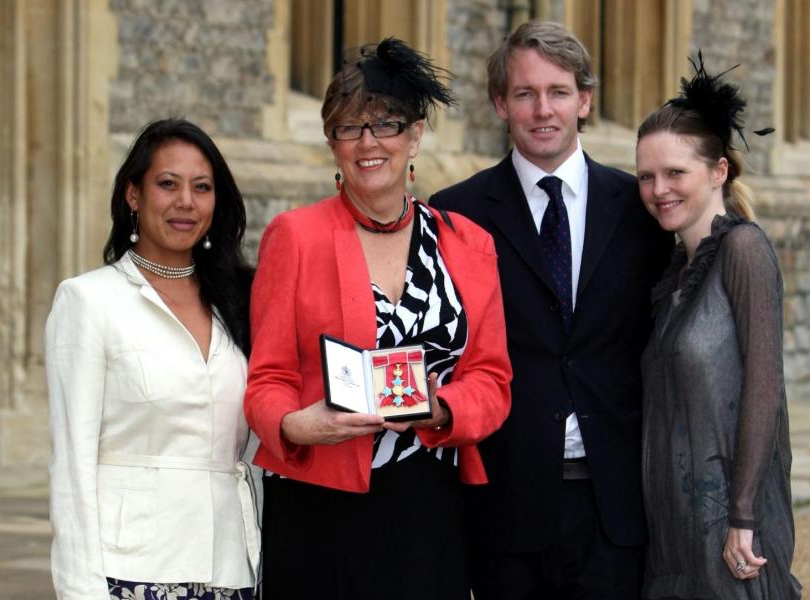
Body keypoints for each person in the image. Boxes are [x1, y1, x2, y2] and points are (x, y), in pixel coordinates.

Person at [244, 38, 511, 600]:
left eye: (385, 124)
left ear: (414, 135)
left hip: (429, 505)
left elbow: (492, 379)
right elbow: (267, 380)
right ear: (332, 142)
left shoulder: (469, 245)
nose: (368, 142)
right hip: (320, 502)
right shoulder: (295, 237)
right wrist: (295, 426)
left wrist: (442, 410)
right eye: (349, 127)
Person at [430, 20, 674, 599]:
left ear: (584, 100)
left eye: (559, 92)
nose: (543, 109)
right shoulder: (455, 214)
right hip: (504, 506)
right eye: (524, 93)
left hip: (615, 505)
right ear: (500, 103)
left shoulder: (641, 210)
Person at [45, 119, 261, 600]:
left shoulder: (237, 303)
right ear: (133, 196)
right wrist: (81, 589)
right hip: (130, 571)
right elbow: (72, 464)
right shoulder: (88, 301)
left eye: (201, 187)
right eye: (168, 183)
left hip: (231, 569)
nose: (186, 201)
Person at [635, 55, 802, 600]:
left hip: (730, 527)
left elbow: (764, 385)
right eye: (647, 176)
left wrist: (744, 514)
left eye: (675, 172)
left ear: (719, 171)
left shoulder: (744, 249)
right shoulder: (672, 274)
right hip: (671, 529)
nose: (660, 188)